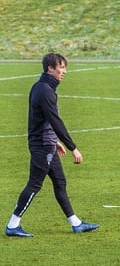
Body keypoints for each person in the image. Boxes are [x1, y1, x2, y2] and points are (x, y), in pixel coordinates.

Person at [5, 53, 99, 237]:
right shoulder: (44, 90)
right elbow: (55, 121)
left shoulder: (42, 87)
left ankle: (76, 223)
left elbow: (40, 120)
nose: (64, 72)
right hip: (42, 146)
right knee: (34, 184)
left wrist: (54, 141)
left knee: (60, 182)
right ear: (50, 68)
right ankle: (13, 225)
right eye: (61, 67)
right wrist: (73, 147)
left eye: (65, 68)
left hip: (47, 143)